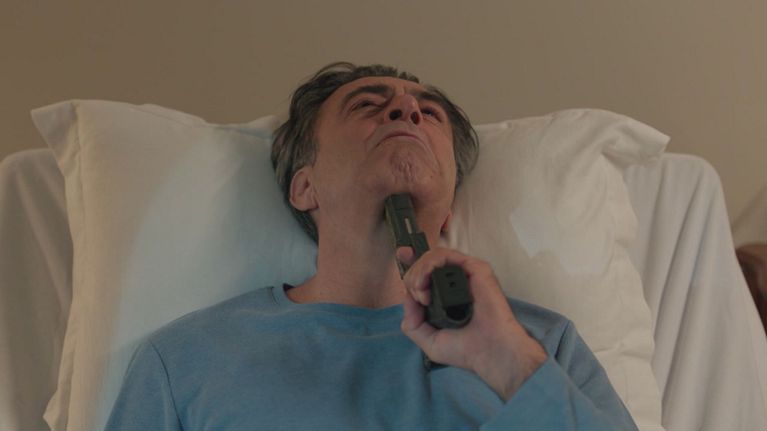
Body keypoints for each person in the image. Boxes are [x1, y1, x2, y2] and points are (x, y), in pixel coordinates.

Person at [105, 62, 638, 430]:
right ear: (304, 186)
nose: (407, 108)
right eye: (367, 105)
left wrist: (509, 363)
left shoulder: (540, 345)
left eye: (429, 113)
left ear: (449, 211)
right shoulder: (188, 359)